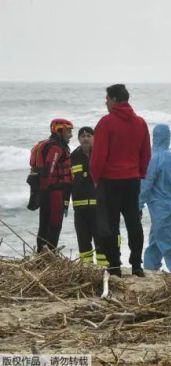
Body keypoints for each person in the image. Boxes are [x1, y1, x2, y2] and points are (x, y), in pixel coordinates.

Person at [91, 84, 151, 277]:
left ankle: (115, 266)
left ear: (115, 99)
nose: (105, 102)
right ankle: (136, 265)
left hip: (110, 181)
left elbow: (99, 155)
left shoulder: (106, 123)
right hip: (132, 180)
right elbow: (146, 153)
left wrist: (95, 177)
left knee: (110, 225)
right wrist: (140, 173)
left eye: (107, 98)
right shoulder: (140, 123)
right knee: (134, 222)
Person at [139, 124, 171, 273]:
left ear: (154, 137)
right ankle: (150, 268)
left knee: (168, 242)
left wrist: (138, 205)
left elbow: (146, 184)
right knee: (156, 239)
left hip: (159, 206)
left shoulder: (153, 158)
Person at [70, 127, 107, 267]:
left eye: (89, 135)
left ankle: (104, 268)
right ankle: (87, 268)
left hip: (98, 207)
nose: (85, 138)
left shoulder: (100, 154)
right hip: (80, 208)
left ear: (94, 138)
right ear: (79, 138)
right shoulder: (73, 157)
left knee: (101, 239)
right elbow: (69, 182)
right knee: (83, 240)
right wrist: (65, 203)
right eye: (82, 136)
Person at [36, 119, 73, 252]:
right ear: (59, 131)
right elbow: (49, 169)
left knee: (45, 224)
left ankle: (42, 253)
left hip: (50, 192)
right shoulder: (56, 148)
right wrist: (46, 192)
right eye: (68, 131)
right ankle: (49, 253)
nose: (71, 135)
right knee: (54, 224)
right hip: (54, 192)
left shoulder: (56, 145)